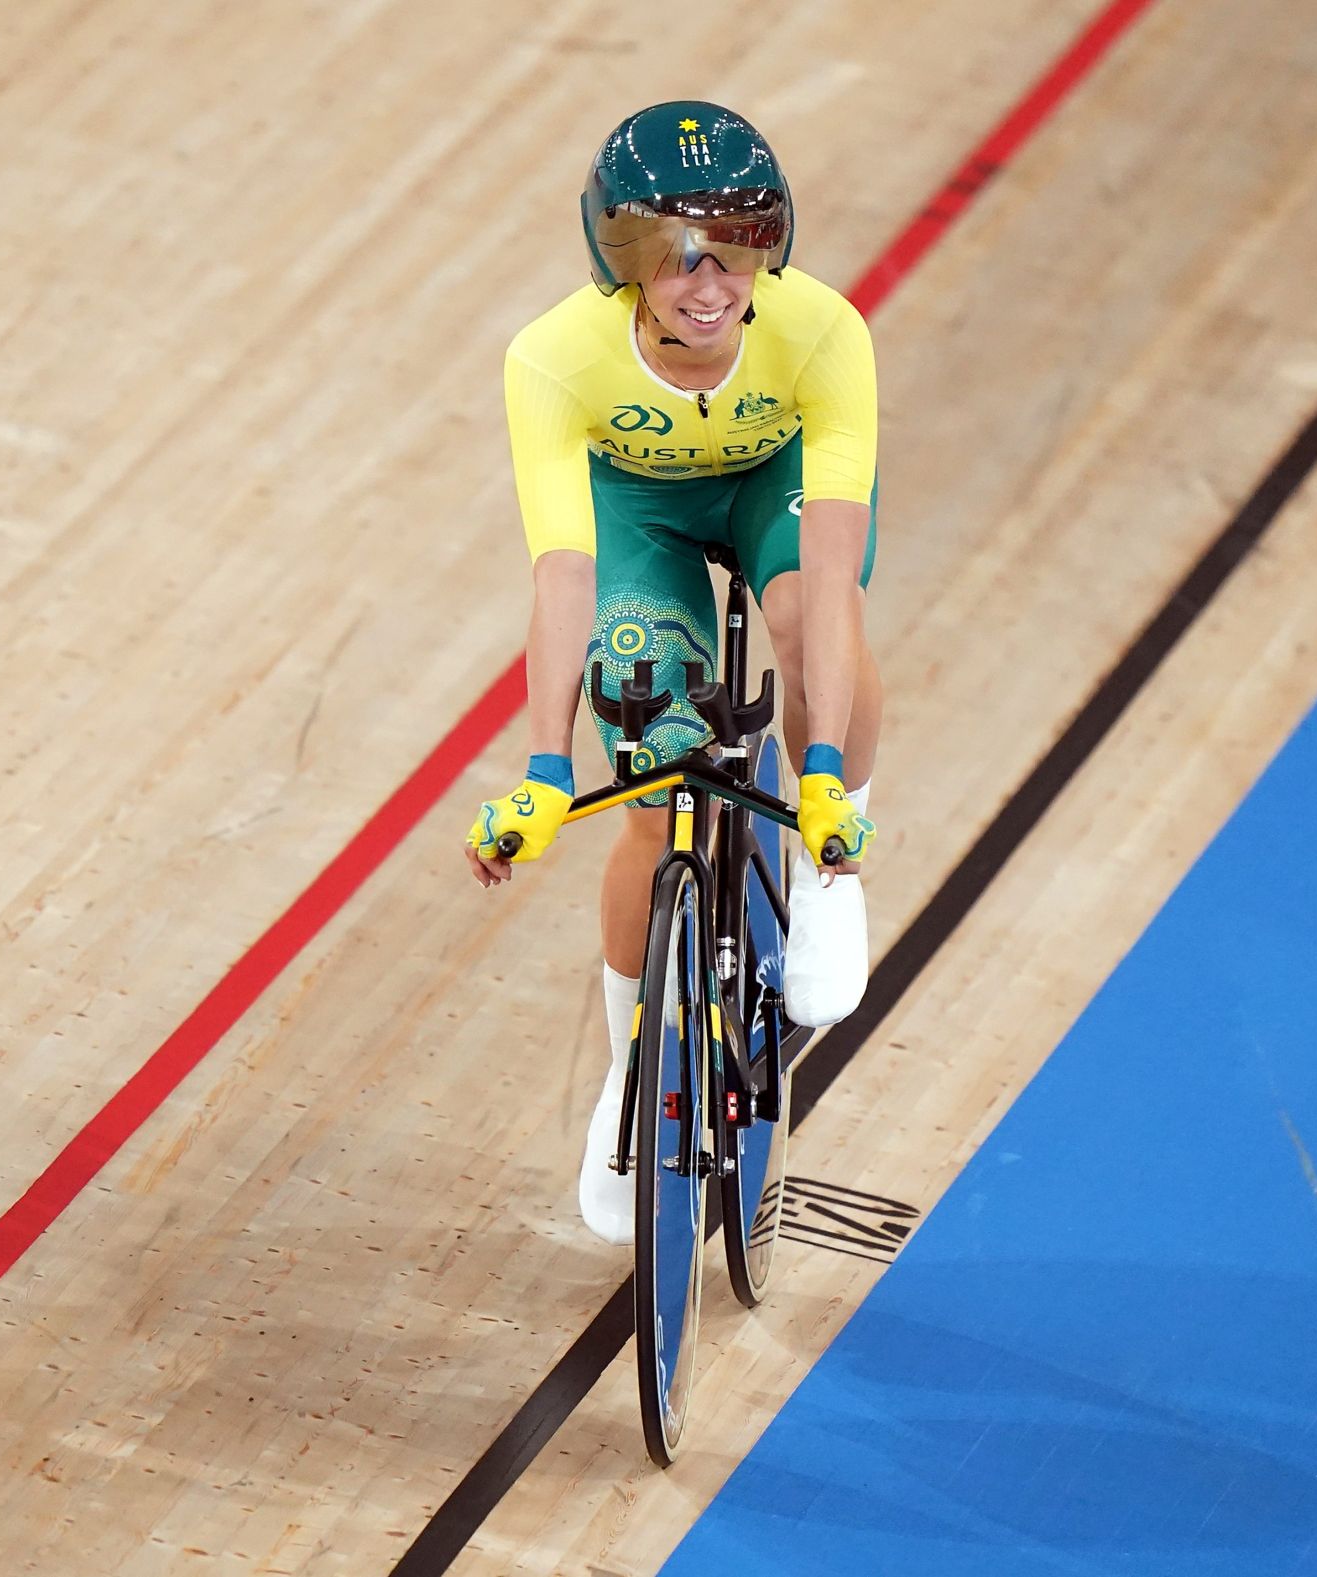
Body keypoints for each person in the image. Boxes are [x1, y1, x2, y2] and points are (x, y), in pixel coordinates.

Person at [464, 101, 883, 1244]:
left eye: (734, 246)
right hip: (638, 512)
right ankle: (633, 1066)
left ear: (770, 246)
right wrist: (547, 768)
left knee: (802, 612)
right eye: (669, 253)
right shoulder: (552, 359)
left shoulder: (825, 333)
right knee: (651, 756)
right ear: (621, 261)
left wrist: (828, 774)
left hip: (776, 491)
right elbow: (562, 578)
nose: (706, 280)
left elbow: (836, 573)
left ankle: (828, 876)